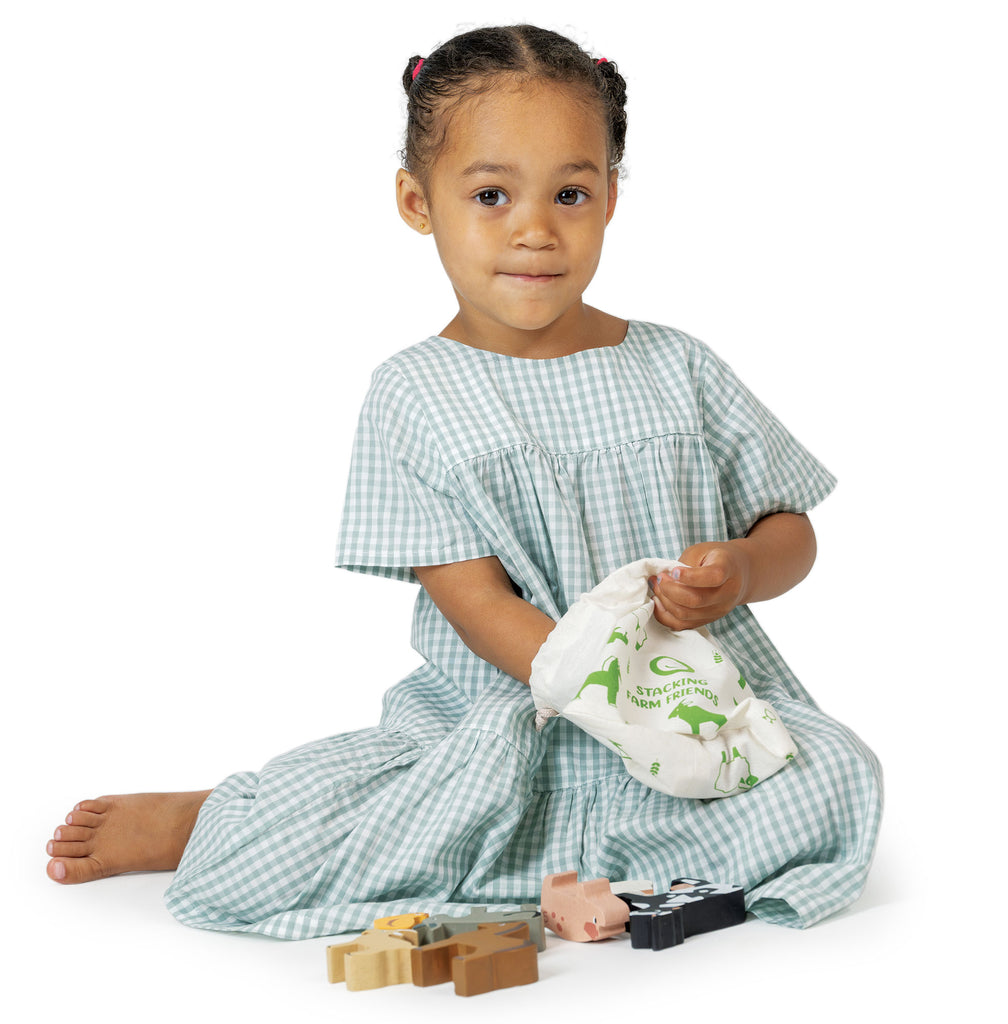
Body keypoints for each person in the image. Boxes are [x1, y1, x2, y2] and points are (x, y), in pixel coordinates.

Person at [45, 24, 882, 937]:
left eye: (570, 193)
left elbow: (789, 528)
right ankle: (216, 817)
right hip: (515, 714)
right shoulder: (417, 392)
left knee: (838, 777)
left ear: (610, 198)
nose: (535, 229)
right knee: (379, 822)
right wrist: (610, 699)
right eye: (491, 195)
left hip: (694, 710)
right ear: (418, 202)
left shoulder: (678, 367)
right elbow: (476, 603)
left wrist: (743, 571)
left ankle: (606, 858)